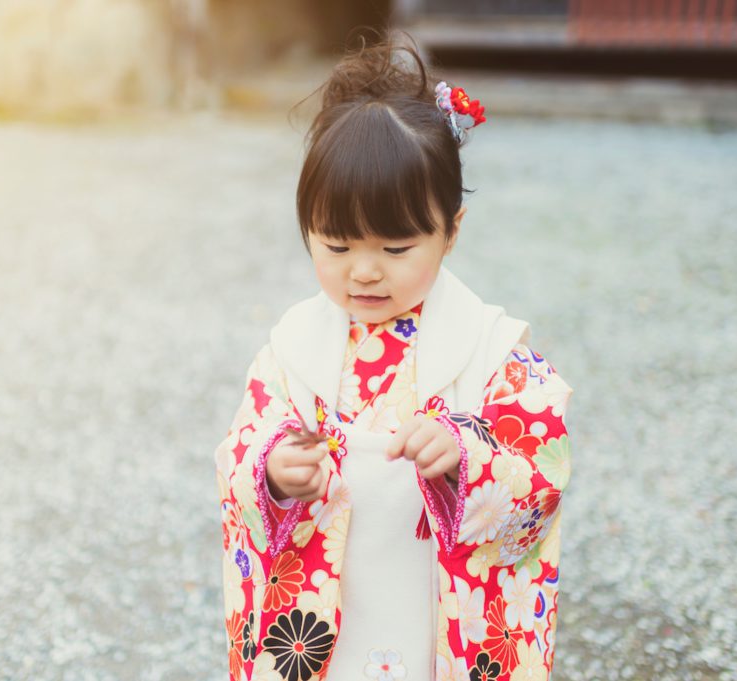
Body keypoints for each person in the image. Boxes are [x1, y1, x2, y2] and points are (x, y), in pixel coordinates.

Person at [214, 30, 574, 681]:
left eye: (398, 247)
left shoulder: (492, 349)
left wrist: (468, 454)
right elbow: (241, 448)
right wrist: (272, 470)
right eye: (337, 244)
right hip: (328, 612)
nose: (365, 273)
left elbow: (541, 468)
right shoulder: (291, 348)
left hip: (433, 610)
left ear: (451, 231)